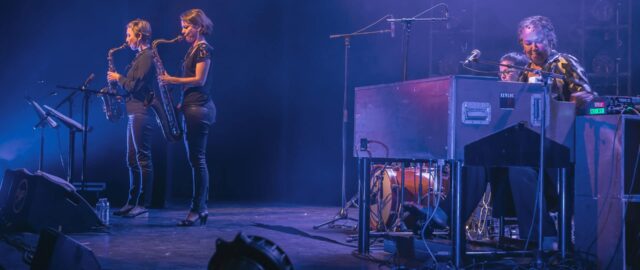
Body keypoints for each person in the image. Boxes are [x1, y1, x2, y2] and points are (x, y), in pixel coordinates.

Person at [159, 9, 216, 226]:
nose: (182, 31)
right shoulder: (193, 49)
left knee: (198, 161)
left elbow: (200, 80)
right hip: (192, 107)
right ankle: (201, 207)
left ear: (199, 27)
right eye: (182, 27)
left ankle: (198, 208)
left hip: (199, 109)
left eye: (186, 27)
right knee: (196, 161)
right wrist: (182, 100)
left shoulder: (203, 50)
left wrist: (172, 80)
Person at [107, 19, 159, 218]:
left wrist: (118, 78)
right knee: (131, 159)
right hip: (132, 110)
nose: (126, 39)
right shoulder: (139, 57)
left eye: (129, 35)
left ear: (139, 36)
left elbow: (135, 86)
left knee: (143, 159)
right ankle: (131, 201)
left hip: (141, 112)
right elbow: (133, 87)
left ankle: (143, 203)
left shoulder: (147, 56)